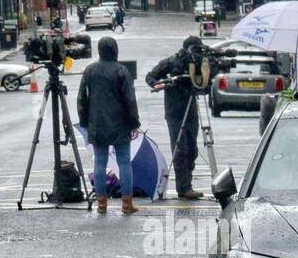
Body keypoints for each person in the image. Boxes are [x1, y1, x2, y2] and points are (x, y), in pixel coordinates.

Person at [76, 36, 141, 215]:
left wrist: (84, 121)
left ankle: (101, 204)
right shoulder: (122, 71)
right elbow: (129, 99)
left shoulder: (90, 71)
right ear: (115, 50)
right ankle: (127, 204)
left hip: (97, 123)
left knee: (99, 162)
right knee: (124, 162)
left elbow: (82, 98)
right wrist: (134, 122)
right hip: (120, 124)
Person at [146, 35, 207, 200]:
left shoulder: (199, 63)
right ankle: (184, 188)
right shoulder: (171, 62)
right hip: (175, 112)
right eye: (195, 50)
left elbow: (205, 82)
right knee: (180, 150)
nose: (197, 54)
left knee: (192, 150)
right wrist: (158, 84)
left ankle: (188, 184)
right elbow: (150, 76)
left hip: (191, 110)